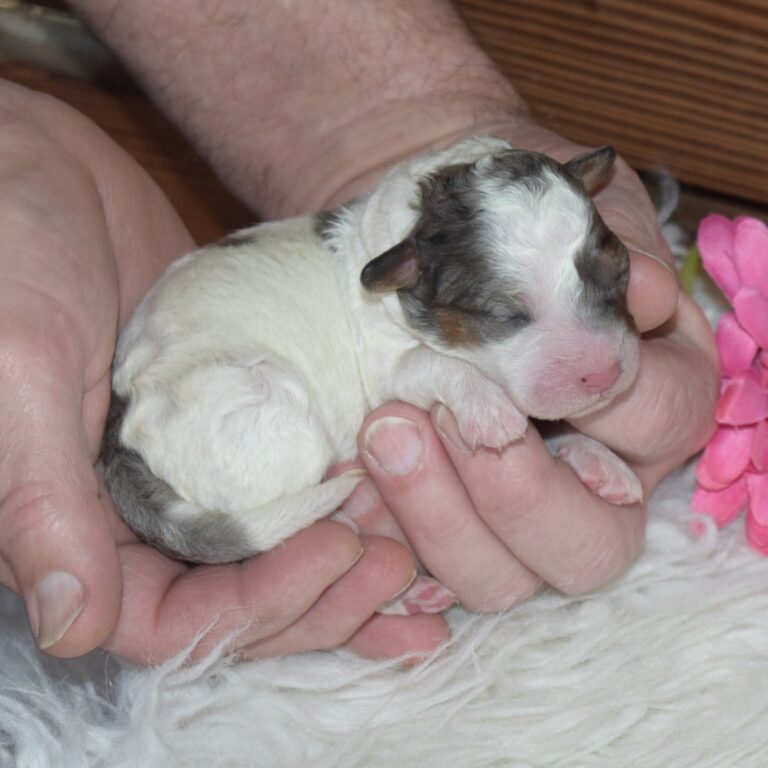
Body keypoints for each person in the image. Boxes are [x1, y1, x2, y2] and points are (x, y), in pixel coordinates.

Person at [0, 0, 718, 664]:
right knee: (334, 458)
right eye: (510, 315)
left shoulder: (415, 268)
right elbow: (406, 376)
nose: (598, 359)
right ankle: (274, 524)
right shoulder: (385, 296)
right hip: (200, 419)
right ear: (404, 278)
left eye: (604, 281)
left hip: (199, 394)